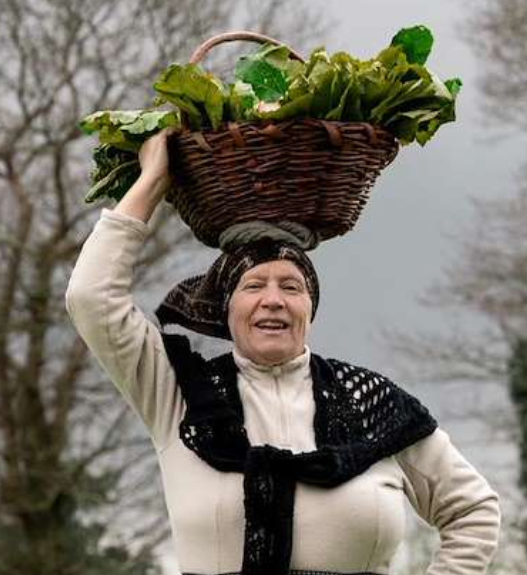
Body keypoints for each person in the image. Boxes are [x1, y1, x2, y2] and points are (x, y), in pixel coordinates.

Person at [65, 129, 500, 575]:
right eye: (253, 285)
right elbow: (91, 299)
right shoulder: (179, 397)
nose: (273, 299)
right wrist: (152, 181)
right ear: (227, 308)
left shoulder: (375, 407)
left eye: (291, 287)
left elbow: (473, 511)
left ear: (309, 308)